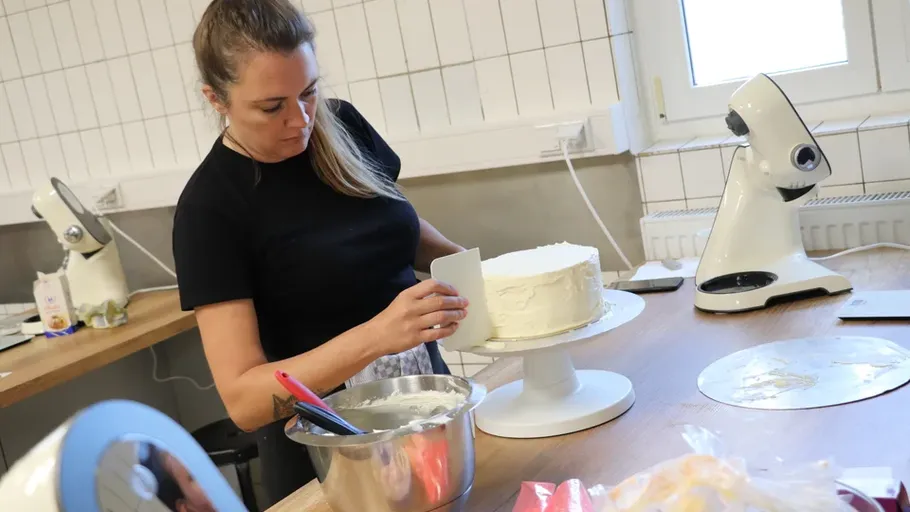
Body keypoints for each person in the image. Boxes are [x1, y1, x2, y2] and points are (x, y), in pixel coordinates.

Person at [171, 0, 469, 506]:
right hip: (328, 463)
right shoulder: (210, 209)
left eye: (309, 92)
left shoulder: (342, 125)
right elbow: (245, 401)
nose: (301, 119)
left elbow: (386, 224)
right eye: (272, 107)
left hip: (423, 416)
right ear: (216, 99)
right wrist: (377, 336)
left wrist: (469, 266)